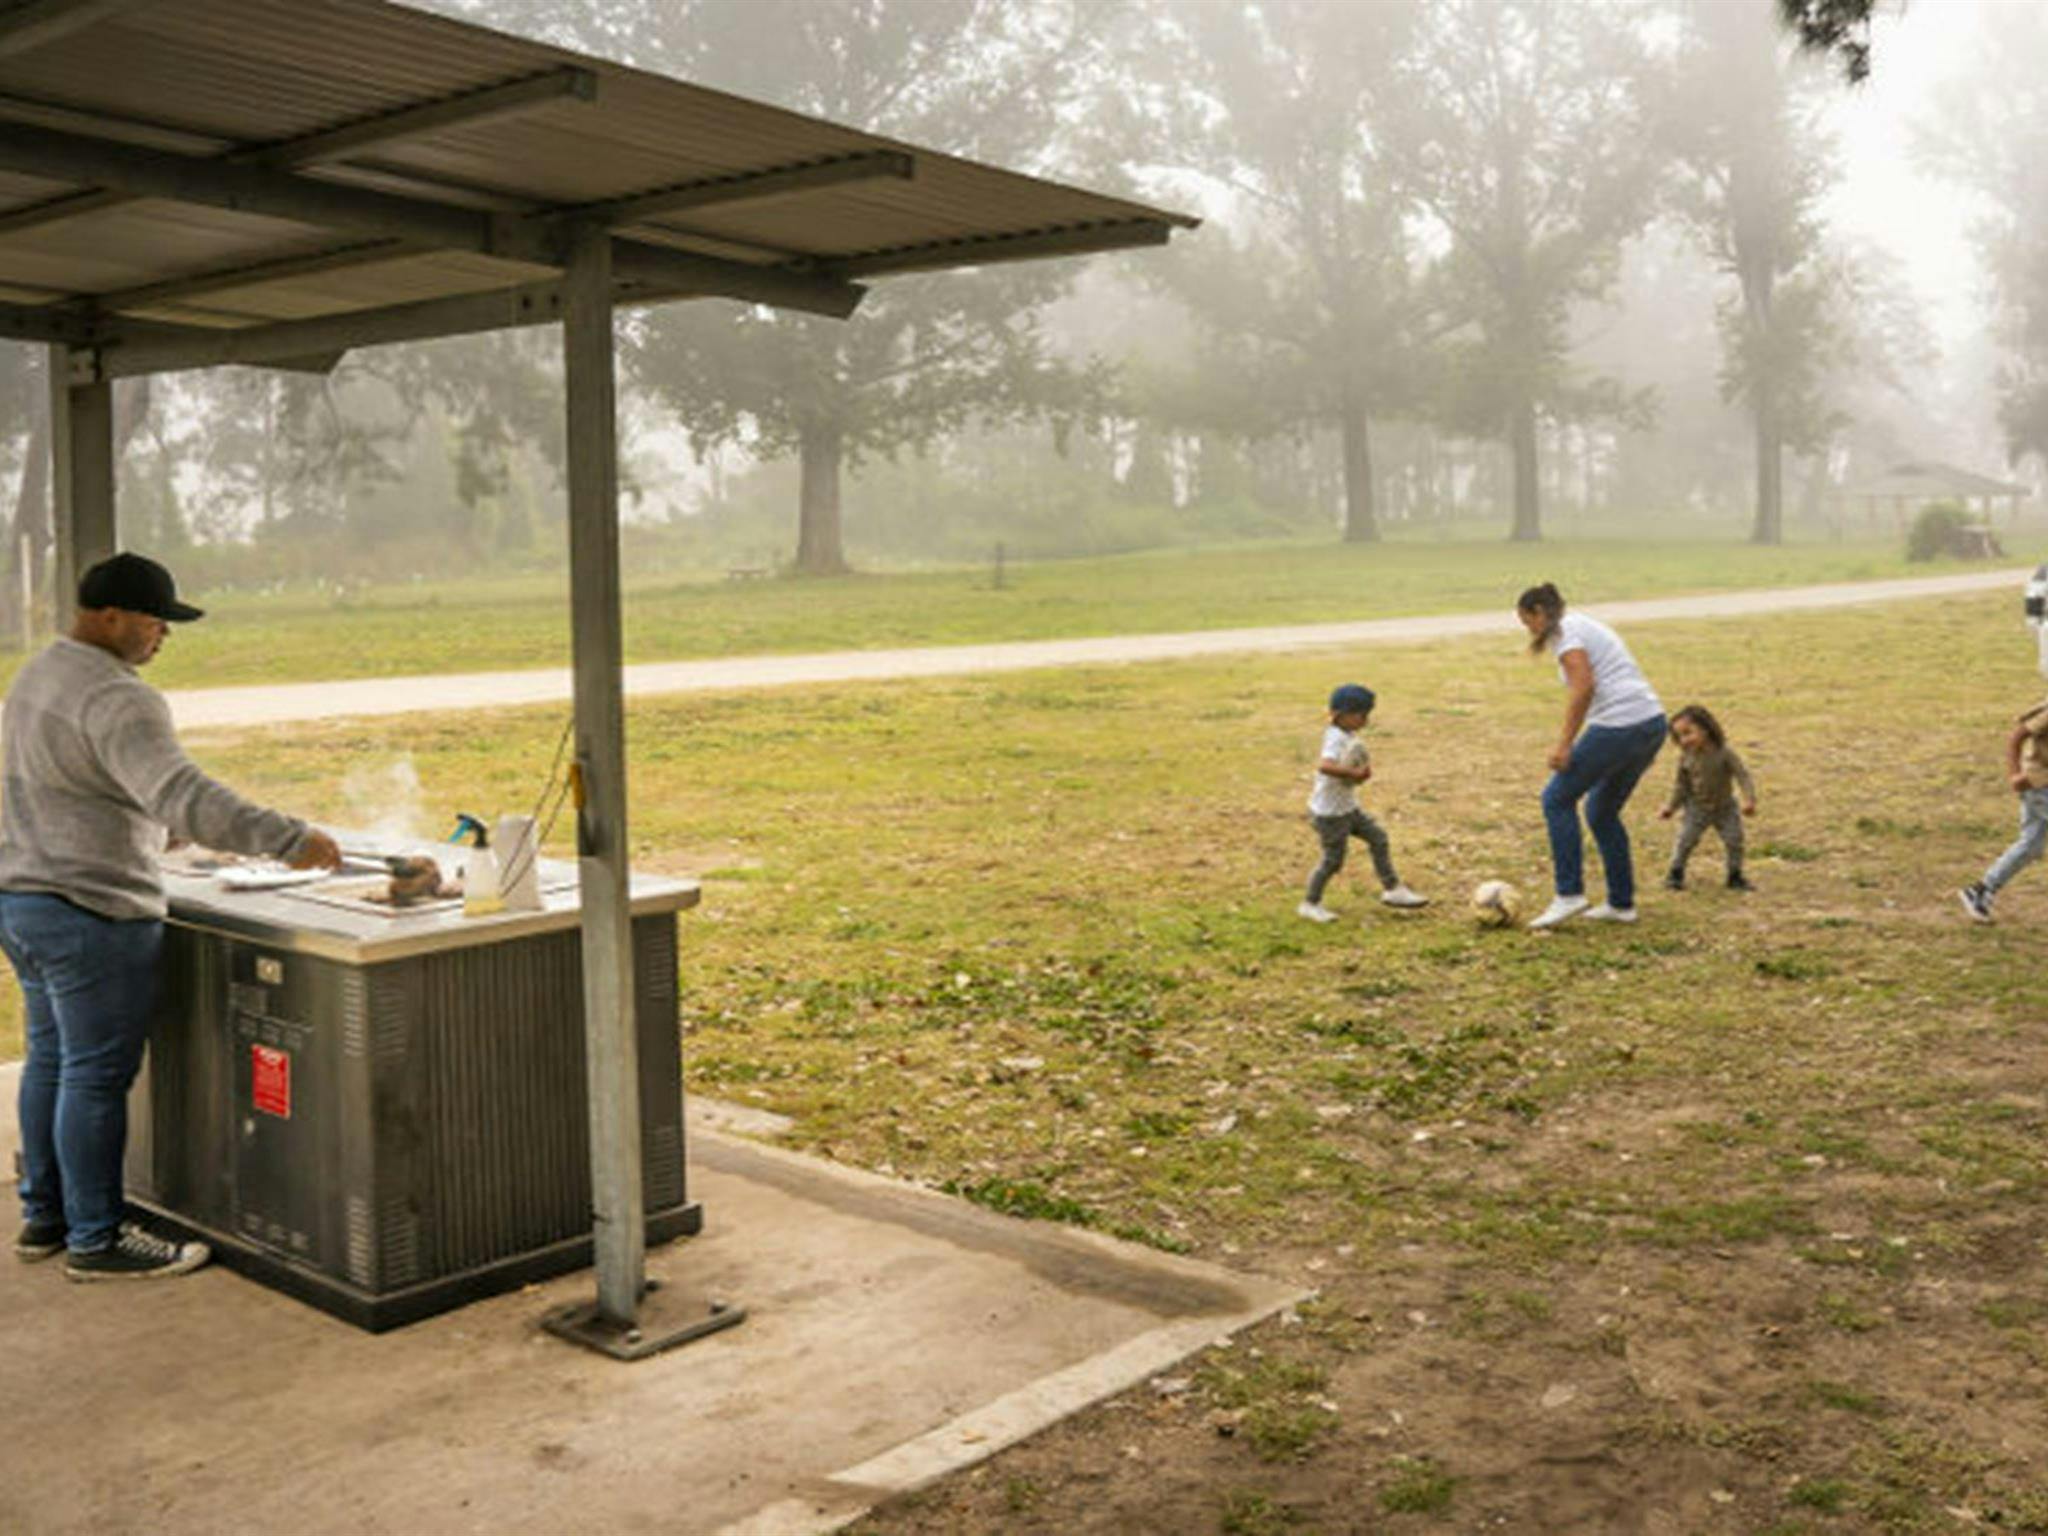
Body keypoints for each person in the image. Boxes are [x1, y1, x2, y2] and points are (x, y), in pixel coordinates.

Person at [0, 552, 341, 1281]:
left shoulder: (37, 675)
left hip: (23, 899)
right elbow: (184, 792)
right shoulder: (120, 696)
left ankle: (45, 1217)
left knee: (53, 1061)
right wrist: (291, 837)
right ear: (113, 616)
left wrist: (152, 830)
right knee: (95, 1077)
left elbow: (71, 785)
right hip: (89, 910)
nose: (162, 637)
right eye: (157, 621)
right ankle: (97, 1241)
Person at [1515, 583, 1667, 930]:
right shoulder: (1581, 625)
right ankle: (1621, 903)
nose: (1530, 631)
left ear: (1540, 612)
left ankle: (1569, 894)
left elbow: (1584, 686)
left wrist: (1565, 744)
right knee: (1601, 811)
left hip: (1621, 724)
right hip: (1649, 723)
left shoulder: (1566, 631)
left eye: (1528, 622)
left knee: (1556, 799)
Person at [1298, 682, 1428, 922]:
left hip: (1348, 809)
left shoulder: (1347, 734)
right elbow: (1325, 766)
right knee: (1332, 861)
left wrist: (1360, 772)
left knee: (1378, 838)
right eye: (1361, 715)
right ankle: (1309, 903)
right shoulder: (1335, 738)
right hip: (1330, 815)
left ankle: (1393, 889)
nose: (1366, 720)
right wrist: (1353, 774)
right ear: (1341, 714)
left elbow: (1350, 768)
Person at [1958, 693, 2048, 923]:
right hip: (2039, 785)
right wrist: (2014, 775)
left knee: (2031, 845)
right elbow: (2017, 736)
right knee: (2030, 844)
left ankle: (1980, 891)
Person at [1659, 705, 1759, 892]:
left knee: (1734, 840)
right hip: (1697, 808)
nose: (1683, 740)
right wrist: (1671, 807)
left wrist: (1749, 800)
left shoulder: (1724, 753)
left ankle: (1735, 876)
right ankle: (1675, 874)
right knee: (1686, 841)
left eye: (1688, 733)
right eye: (1678, 736)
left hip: (1725, 807)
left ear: (1705, 729)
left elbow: (1742, 775)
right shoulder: (1686, 757)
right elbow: (1681, 786)